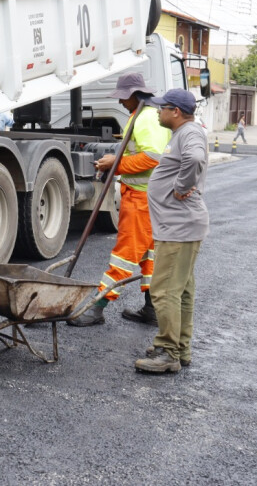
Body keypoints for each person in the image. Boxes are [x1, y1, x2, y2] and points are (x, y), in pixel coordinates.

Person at [70, 73, 170, 327]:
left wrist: (116, 164)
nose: (121, 103)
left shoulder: (147, 118)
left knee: (124, 256)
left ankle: (97, 307)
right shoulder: (142, 114)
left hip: (142, 199)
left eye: (123, 98)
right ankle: (152, 308)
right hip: (145, 196)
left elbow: (152, 158)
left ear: (134, 95)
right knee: (149, 255)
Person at [134, 88, 209, 374]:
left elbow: (195, 159)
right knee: (181, 290)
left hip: (178, 227)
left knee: (164, 290)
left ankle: (168, 352)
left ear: (175, 111)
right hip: (181, 226)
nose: (156, 111)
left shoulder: (189, 133)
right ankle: (180, 348)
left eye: (162, 107)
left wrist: (179, 188)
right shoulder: (184, 133)